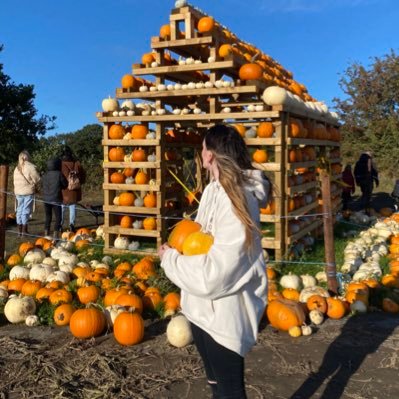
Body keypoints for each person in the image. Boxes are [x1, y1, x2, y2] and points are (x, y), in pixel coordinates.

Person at [158, 124, 270, 398]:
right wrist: (180, 250)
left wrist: (170, 259)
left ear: (209, 155)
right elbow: (200, 245)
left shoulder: (237, 199)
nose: (201, 154)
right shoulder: (212, 190)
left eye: (203, 148)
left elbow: (218, 272)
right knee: (215, 386)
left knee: (230, 392)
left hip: (225, 314)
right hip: (200, 309)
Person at [13, 150, 41, 237]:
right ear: (27, 157)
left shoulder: (16, 168)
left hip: (18, 192)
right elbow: (37, 179)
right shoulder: (31, 167)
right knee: (26, 211)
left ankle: (19, 231)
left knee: (19, 210)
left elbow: (14, 181)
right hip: (28, 191)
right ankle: (24, 231)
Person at [60, 146, 85, 232]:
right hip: (74, 189)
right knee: (73, 207)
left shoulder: (61, 164)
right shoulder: (77, 163)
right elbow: (83, 176)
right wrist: (79, 182)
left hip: (64, 189)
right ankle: (72, 224)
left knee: (62, 208)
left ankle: (60, 225)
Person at [42, 158, 67, 239]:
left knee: (48, 217)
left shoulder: (44, 174)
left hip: (46, 199)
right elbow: (65, 184)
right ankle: (55, 235)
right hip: (56, 199)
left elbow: (43, 185)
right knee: (58, 218)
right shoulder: (59, 174)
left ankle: (46, 235)